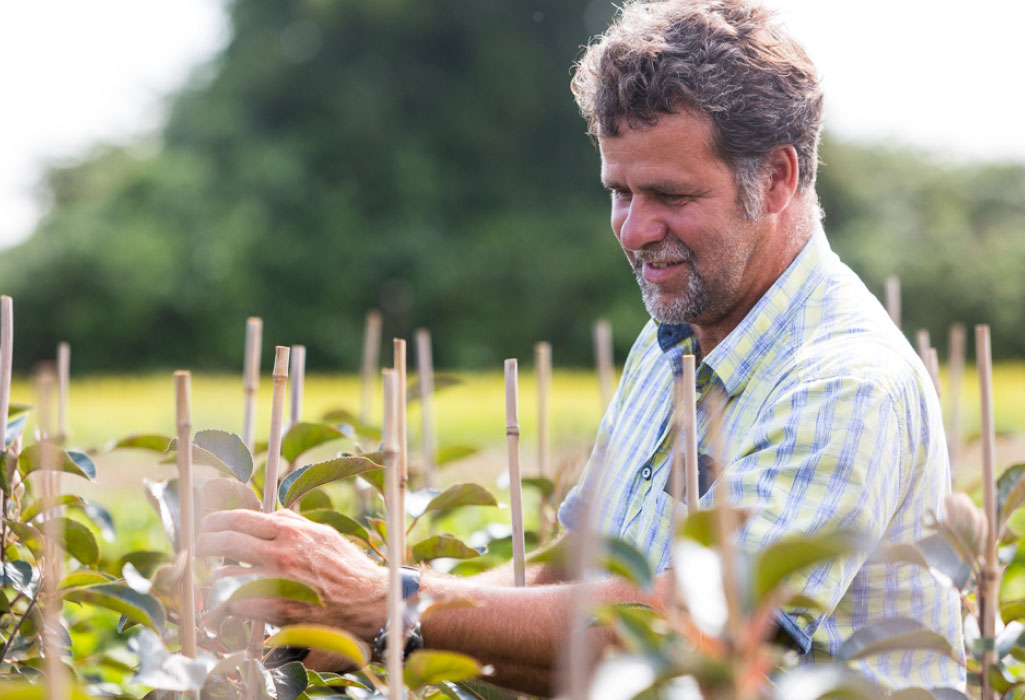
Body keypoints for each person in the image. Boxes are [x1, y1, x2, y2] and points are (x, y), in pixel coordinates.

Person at [196, 0, 964, 694]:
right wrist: (365, 629)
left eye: (671, 195)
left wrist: (390, 602)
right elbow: (578, 568)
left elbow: (692, 637)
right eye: (619, 193)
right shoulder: (673, 343)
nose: (633, 232)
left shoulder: (843, 381)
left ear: (778, 179)